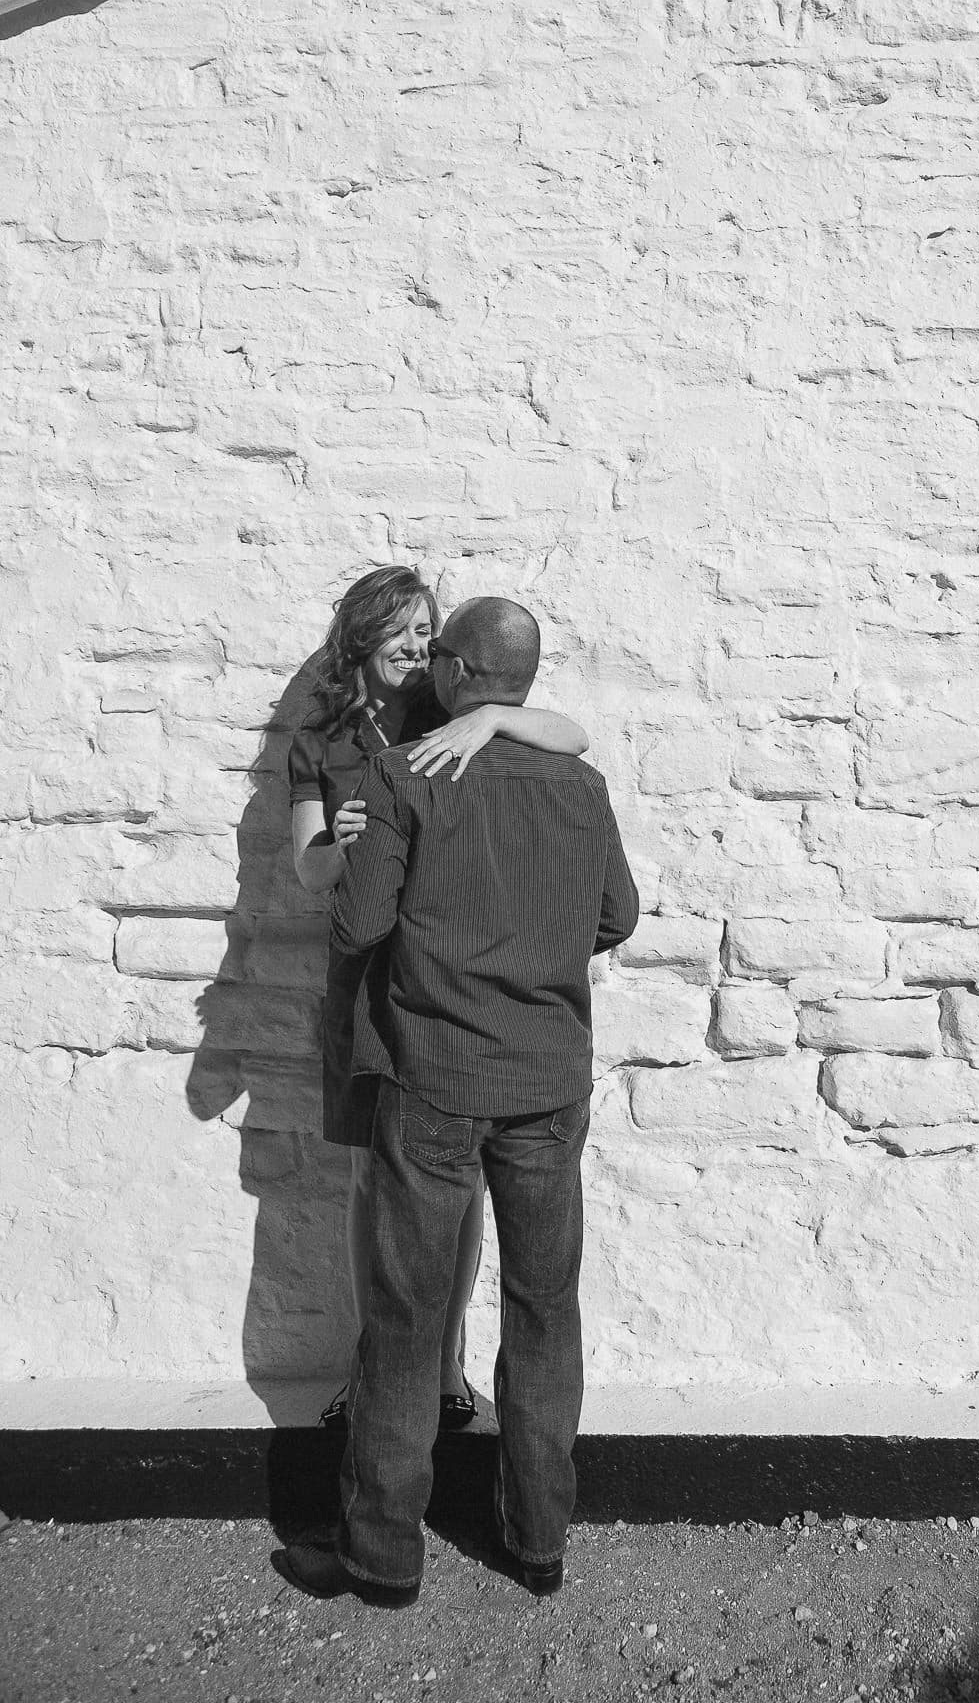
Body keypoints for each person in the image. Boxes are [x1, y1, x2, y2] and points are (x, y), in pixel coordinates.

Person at [276, 596, 638, 1610]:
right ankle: (538, 1538)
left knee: (403, 1319)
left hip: (431, 1081)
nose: (428, 661)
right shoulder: (580, 781)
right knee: (543, 1307)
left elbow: (355, 925)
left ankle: (382, 1553)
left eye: (443, 650)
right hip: (546, 1084)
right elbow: (618, 914)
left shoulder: (403, 776)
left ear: (467, 674)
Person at [288, 565, 590, 1428]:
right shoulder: (322, 740)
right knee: (371, 1184)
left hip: (444, 989)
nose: (419, 648)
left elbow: (572, 736)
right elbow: (308, 871)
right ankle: (376, 1365)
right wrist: (343, 847)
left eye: (429, 632)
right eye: (403, 632)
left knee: (446, 1188)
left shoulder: (451, 718)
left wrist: (494, 714)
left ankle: (448, 1359)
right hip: (364, 983)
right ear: (363, 638)